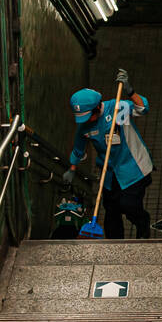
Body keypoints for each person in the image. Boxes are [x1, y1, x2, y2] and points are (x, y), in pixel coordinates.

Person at [63, 68, 153, 239]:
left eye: (88, 116)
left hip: (134, 167)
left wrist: (130, 91)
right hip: (109, 172)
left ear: (97, 108)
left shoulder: (117, 108)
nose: (85, 121)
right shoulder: (84, 126)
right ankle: (114, 243)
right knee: (111, 210)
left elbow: (143, 108)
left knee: (129, 205)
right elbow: (79, 148)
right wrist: (72, 169)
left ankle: (142, 222)